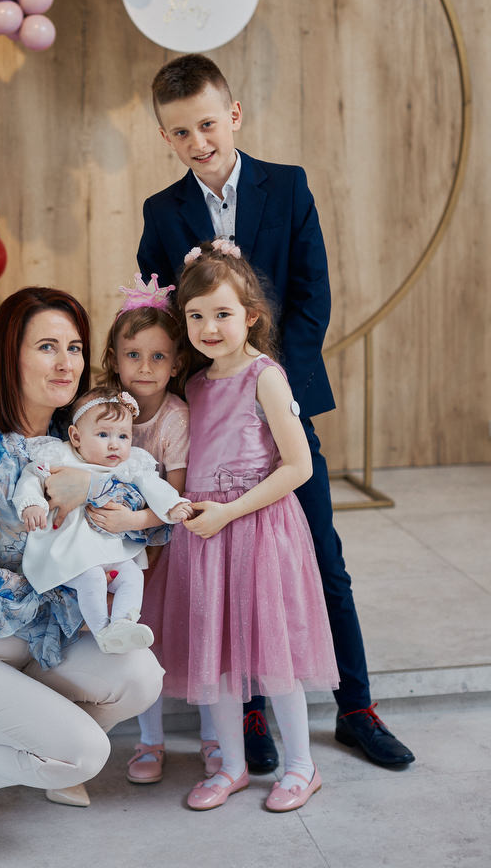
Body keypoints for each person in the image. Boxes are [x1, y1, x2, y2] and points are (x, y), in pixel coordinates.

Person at [137, 53, 414, 770]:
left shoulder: (286, 186)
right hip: (210, 421)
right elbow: (162, 312)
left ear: (232, 115)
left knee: (322, 556)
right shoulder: (161, 212)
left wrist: (264, 381)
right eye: (180, 132)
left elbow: (311, 294)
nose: (198, 141)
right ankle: (249, 712)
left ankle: (355, 707)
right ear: (165, 137)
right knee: (231, 573)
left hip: (276, 396)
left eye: (207, 124)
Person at [0, 287, 164, 823]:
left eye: (74, 347)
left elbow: (141, 519)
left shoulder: (85, 440)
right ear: (9, 356)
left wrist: (89, 488)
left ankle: (35, 742)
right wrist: (74, 590)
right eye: (47, 347)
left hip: (40, 645)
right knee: (85, 754)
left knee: (140, 677)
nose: (66, 363)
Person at [143, 239, 338, 811]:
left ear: (250, 316)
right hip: (205, 537)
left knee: (277, 655)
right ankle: (231, 766)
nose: (208, 328)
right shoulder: (193, 385)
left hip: (257, 530)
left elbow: (298, 466)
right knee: (217, 655)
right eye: (196, 316)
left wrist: (229, 511)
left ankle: (301, 766)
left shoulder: (265, 376)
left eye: (222, 314)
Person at [98, 273, 224, 784]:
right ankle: (149, 740)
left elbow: (176, 499)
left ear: (176, 363)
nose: (145, 368)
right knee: (137, 639)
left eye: (157, 357)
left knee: (193, 637)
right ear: (114, 359)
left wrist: (134, 522)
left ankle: (213, 736)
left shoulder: (175, 420)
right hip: (117, 550)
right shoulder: (101, 410)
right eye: (133, 355)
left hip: (168, 547)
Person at [13, 386, 192, 654]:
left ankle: (122, 623)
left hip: (111, 547)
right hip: (70, 547)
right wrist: (32, 504)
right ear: (76, 436)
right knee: (93, 578)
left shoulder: (130, 463)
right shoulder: (60, 455)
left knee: (132, 575)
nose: (114, 444)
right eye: (103, 434)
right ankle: (102, 632)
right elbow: (31, 477)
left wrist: (173, 504)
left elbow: (154, 486)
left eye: (123, 436)